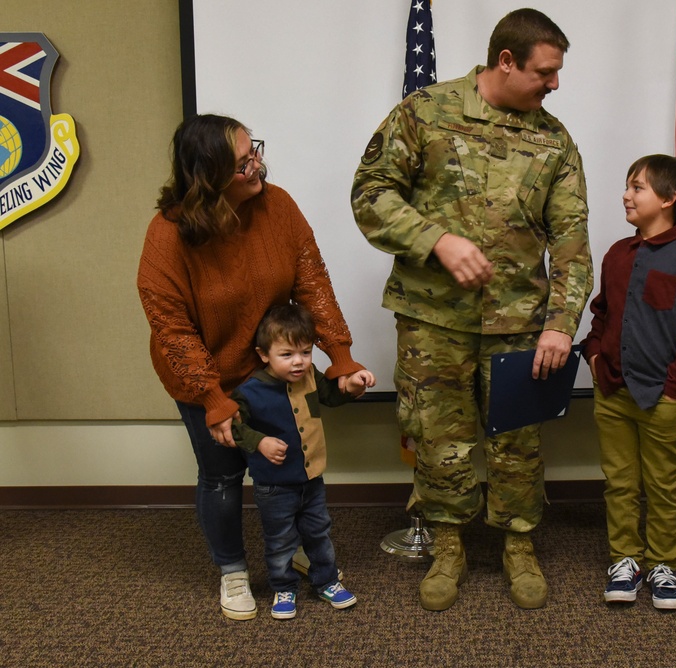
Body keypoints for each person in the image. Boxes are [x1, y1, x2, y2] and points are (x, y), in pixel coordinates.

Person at [351, 8, 592, 611]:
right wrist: (436, 239)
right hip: (434, 320)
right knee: (440, 440)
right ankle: (449, 545)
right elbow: (370, 193)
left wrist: (561, 325)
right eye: (546, 72)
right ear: (505, 62)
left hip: (519, 323)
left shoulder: (554, 140)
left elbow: (571, 242)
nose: (555, 84)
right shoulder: (425, 112)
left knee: (518, 442)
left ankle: (518, 545)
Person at [137, 114, 367, 621]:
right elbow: (171, 329)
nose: (257, 164)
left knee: (288, 468)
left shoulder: (277, 206)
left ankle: (295, 551)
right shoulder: (167, 236)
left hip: (273, 370)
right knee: (221, 476)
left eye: (254, 151)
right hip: (207, 375)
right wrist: (213, 399)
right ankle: (234, 570)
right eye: (242, 163)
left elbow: (313, 283)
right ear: (207, 175)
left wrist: (340, 355)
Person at [581, 155, 676, 610]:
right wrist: (595, 357)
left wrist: (675, 391)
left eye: (637, 187)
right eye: (627, 185)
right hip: (613, 391)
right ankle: (625, 559)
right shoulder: (617, 255)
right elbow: (601, 314)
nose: (626, 194)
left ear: (668, 198)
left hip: (663, 399)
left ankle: (663, 563)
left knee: (662, 483)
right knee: (619, 482)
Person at [230, 304, 374, 620]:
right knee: (280, 540)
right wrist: (260, 442)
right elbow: (234, 428)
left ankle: (326, 581)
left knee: (318, 532)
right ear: (263, 354)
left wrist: (352, 385)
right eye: (287, 354)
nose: (299, 362)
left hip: (311, 479)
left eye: (305, 352)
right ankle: (284, 587)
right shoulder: (250, 391)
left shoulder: (309, 375)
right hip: (273, 484)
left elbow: (331, 396)